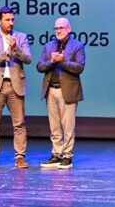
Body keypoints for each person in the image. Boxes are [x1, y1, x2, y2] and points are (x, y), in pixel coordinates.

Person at [0, 7, 33, 169]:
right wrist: (5, 53)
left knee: (19, 124)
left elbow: (28, 58)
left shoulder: (21, 37)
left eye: (12, 20)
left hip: (15, 85)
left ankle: (19, 157)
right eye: (7, 20)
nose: (10, 23)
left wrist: (16, 48)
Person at [36, 17, 85, 170]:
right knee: (54, 125)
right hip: (51, 90)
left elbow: (79, 67)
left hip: (68, 91)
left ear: (69, 29)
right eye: (56, 28)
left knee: (68, 126)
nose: (58, 31)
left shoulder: (77, 46)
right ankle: (57, 154)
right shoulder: (49, 45)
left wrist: (62, 61)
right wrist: (52, 61)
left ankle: (67, 155)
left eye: (61, 28)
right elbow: (39, 66)